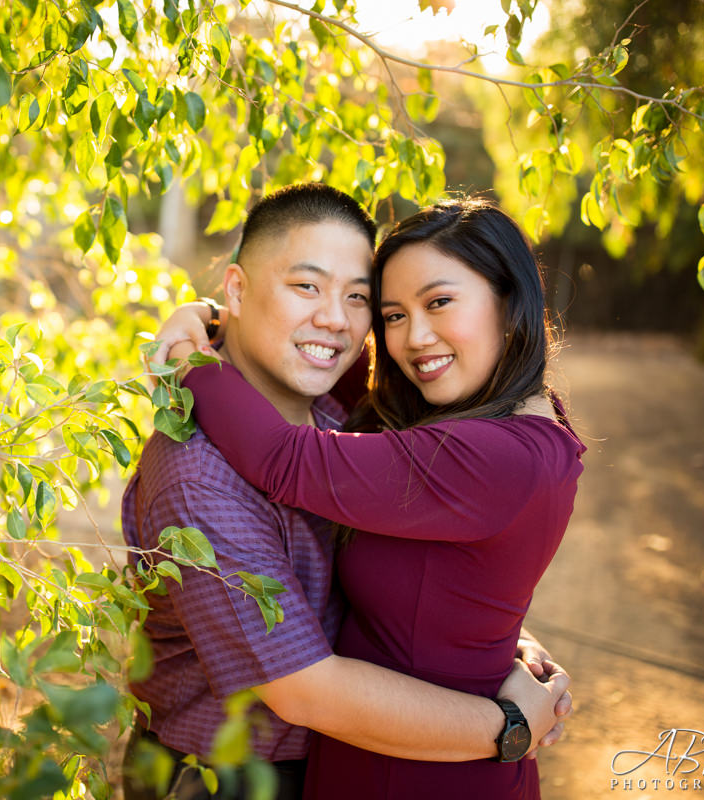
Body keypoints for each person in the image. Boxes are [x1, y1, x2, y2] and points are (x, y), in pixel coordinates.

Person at [123, 185, 571, 800]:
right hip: (222, 779)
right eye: (393, 314)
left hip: (404, 765)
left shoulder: (382, 421)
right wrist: (508, 720)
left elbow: (285, 457)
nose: (337, 320)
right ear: (238, 289)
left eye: (357, 298)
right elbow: (306, 687)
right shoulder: (205, 475)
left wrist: (185, 355)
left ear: (509, 299)